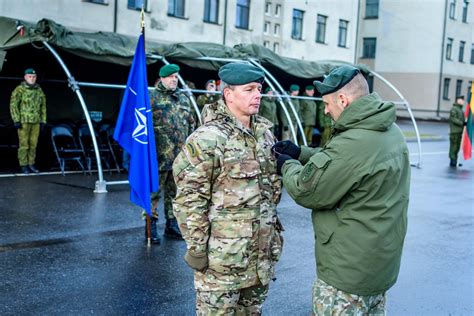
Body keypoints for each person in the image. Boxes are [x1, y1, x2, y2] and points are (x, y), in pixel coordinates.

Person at [273, 65, 410, 315]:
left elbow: (307, 190)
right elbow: (343, 163)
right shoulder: (389, 131)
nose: (325, 110)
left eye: (327, 104)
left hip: (347, 276)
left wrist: (287, 165)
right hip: (379, 265)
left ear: (343, 100)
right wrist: (301, 153)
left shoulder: (353, 142)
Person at [172, 62, 283, 315]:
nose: (258, 95)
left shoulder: (265, 135)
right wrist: (197, 249)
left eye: (259, 89)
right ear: (228, 94)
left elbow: (272, 191)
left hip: (259, 261)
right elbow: (190, 200)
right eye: (249, 89)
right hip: (221, 264)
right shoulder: (208, 138)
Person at [148, 63, 196, 244]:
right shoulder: (151, 98)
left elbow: (191, 124)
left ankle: (171, 224)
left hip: (178, 158)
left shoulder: (182, 98)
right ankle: (150, 225)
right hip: (158, 157)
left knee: (175, 194)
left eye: (176, 77)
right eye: (171, 77)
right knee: (153, 192)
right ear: (162, 78)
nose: (174, 80)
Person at [10, 68, 46, 174]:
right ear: (25, 77)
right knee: (24, 144)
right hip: (23, 121)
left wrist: (43, 120)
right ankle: (23, 165)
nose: (32, 78)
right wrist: (16, 119)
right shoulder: (19, 89)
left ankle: (31, 164)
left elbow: (43, 106)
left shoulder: (39, 90)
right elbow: (13, 105)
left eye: (34, 77)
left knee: (33, 144)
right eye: (30, 76)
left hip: (36, 121)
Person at [448, 95, 466, 167]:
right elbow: (453, 119)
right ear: (457, 100)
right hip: (454, 131)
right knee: (454, 147)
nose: (463, 101)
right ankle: (453, 161)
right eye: (461, 100)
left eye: (463, 100)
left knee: (457, 147)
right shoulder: (454, 109)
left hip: (459, 131)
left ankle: (455, 160)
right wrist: (462, 123)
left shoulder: (460, 110)